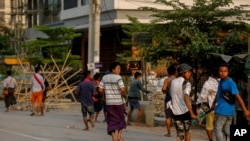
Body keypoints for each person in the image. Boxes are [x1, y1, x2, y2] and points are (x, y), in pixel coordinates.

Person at [212, 63, 250, 141]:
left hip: (223, 111)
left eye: (225, 71)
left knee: (217, 129)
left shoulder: (230, 82)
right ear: (218, 71)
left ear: (228, 72)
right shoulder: (221, 81)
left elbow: (238, 96)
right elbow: (219, 93)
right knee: (227, 130)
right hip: (229, 111)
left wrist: (245, 110)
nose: (222, 73)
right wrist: (213, 103)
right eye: (221, 71)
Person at [99, 62, 127, 141]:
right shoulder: (118, 77)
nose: (119, 70)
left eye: (120, 68)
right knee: (121, 118)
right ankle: (119, 137)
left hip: (109, 103)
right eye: (118, 68)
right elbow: (122, 89)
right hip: (118, 103)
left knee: (111, 120)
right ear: (113, 69)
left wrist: (106, 94)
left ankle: (113, 138)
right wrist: (125, 95)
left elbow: (100, 89)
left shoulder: (104, 77)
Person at [170, 63, 197, 141]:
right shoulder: (186, 83)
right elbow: (186, 97)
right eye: (188, 72)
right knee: (187, 132)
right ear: (183, 73)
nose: (190, 74)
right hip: (185, 111)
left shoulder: (173, 82)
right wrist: (191, 113)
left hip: (175, 112)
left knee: (179, 135)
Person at [197, 70, 219, 141]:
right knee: (220, 126)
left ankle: (210, 139)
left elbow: (202, 96)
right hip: (222, 108)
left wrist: (198, 104)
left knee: (209, 126)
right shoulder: (223, 82)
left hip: (211, 108)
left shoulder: (208, 83)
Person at [161, 65, 177, 137]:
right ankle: (179, 133)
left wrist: (166, 90)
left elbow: (163, 89)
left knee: (168, 116)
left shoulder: (167, 80)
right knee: (177, 116)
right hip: (177, 99)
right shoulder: (178, 79)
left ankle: (169, 133)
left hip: (168, 99)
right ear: (175, 72)